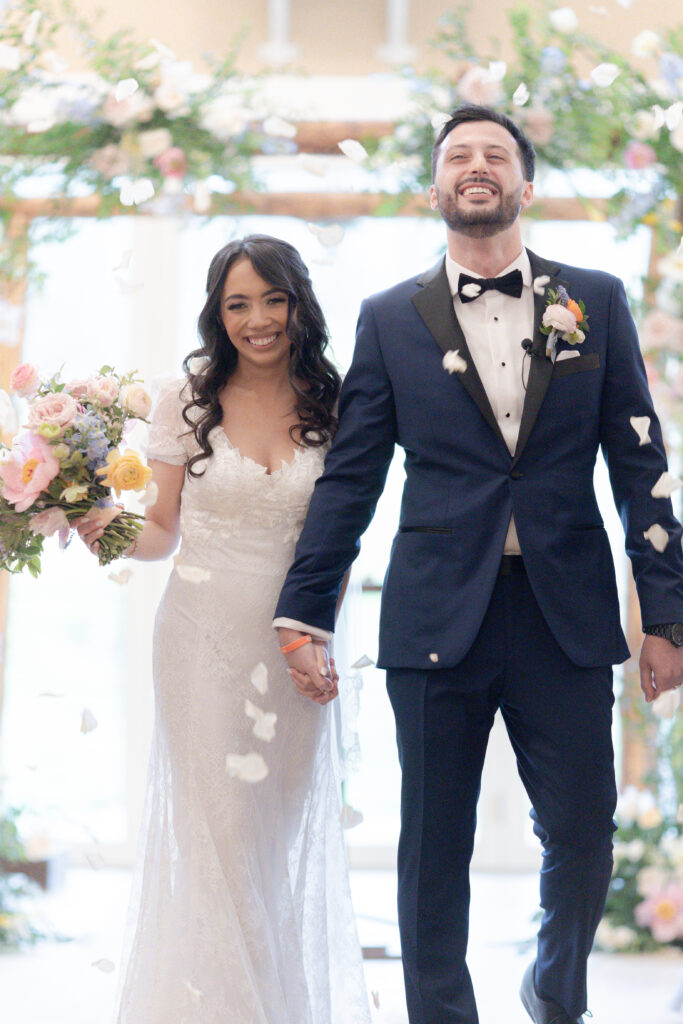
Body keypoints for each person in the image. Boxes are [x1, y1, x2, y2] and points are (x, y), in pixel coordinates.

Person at [274, 105, 683, 1024]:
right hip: (433, 619)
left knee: (582, 839)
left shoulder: (597, 301)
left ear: (524, 186)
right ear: (434, 188)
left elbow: (639, 467)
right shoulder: (387, 319)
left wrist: (666, 618)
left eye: (494, 154)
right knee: (431, 849)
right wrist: (304, 613)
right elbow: (352, 480)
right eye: (457, 155)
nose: (475, 165)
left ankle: (553, 990)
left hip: (563, 616)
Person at [77, 234, 371, 1024]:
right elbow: (160, 531)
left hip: (295, 649)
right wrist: (94, 519)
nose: (257, 319)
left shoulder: (337, 401)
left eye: (271, 299)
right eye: (237, 303)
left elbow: (337, 544)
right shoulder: (187, 397)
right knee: (219, 842)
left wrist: (319, 635)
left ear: (298, 302)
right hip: (200, 642)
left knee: (270, 843)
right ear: (218, 313)